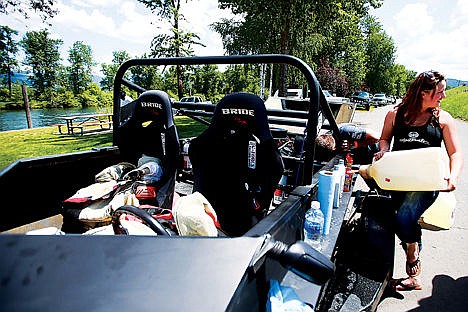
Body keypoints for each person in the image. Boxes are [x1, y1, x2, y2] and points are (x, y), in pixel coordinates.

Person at [374, 70, 464, 291]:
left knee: (404, 219)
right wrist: (383, 151)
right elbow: (384, 139)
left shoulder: (443, 119)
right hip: (396, 181)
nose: (443, 96)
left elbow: (456, 154)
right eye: (439, 92)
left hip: (426, 184)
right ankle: (414, 279)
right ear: (423, 93)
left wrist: (452, 176)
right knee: (401, 221)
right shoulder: (395, 115)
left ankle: (412, 254)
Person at [315, 123, 380, 164]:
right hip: (359, 161)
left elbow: (376, 137)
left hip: (375, 151)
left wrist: (354, 144)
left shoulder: (345, 131)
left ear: (334, 148)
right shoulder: (321, 145)